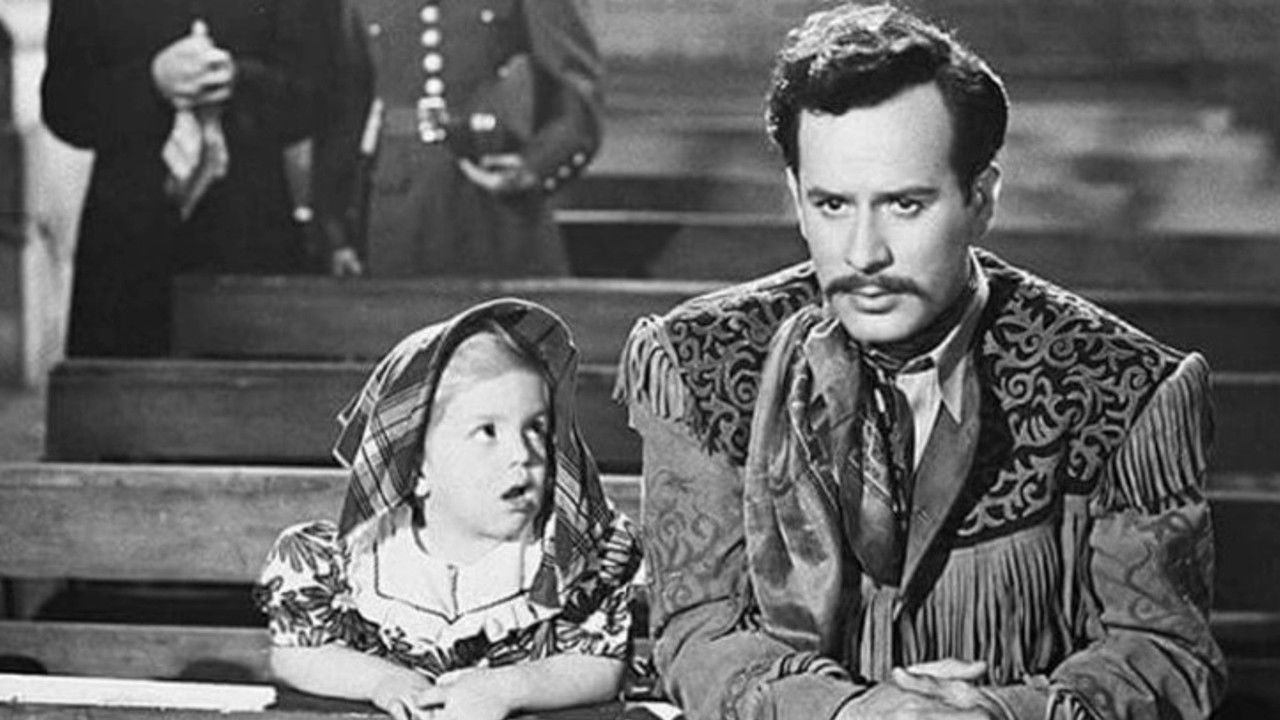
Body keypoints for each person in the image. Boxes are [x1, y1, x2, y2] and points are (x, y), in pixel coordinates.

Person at [615, 4, 1224, 719]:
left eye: (905, 205)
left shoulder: (1119, 385)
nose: (864, 253)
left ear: (980, 200)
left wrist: (998, 714)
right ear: (797, 201)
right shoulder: (701, 363)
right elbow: (700, 633)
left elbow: (1162, 651)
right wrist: (853, 713)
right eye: (832, 205)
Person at [256, 299, 642, 720]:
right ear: (417, 468)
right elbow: (297, 654)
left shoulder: (570, 557)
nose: (523, 453)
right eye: (487, 431)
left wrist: (507, 689)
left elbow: (600, 665)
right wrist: (380, 681)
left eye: (536, 428)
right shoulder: (351, 561)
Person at [41, 0, 330, 357]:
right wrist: (151, 80)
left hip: (248, 237)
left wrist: (238, 78)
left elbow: (319, 95)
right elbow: (63, 105)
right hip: (127, 250)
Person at [309, 0, 602, 278]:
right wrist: (334, 228)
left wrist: (534, 167)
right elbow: (345, 111)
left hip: (498, 206)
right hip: (399, 209)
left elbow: (576, 91)